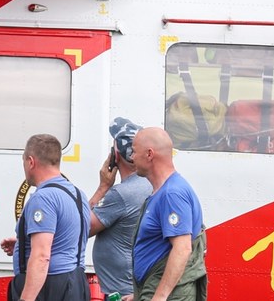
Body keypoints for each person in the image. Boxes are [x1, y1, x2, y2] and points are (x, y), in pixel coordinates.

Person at [0, 134, 90, 301]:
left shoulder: (43, 198)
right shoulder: (78, 194)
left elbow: (42, 256)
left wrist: (26, 299)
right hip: (75, 283)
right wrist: (24, 246)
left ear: (31, 162)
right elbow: (67, 237)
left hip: (50, 286)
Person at [129, 127, 207, 301]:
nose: (131, 157)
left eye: (134, 151)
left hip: (170, 295)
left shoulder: (172, 194)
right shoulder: (161, 192)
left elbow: (182, 248)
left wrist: (159, 297)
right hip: (153, 289)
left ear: (149, 154)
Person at [89, 117, 154, 298]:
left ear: (115, 155)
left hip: (123, 291)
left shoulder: (121, 194)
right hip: (137, 285)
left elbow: (82, 227)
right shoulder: (149, 184)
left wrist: (103, 187)